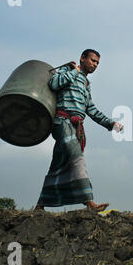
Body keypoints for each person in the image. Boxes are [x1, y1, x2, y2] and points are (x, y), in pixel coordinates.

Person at [34, 49, 123, 212]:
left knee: (57, 165)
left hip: (76, 127)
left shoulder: (86, 84)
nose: (95, 65)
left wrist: (111, 124)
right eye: (92, 60)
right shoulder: (67, 70)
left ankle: (40, 205)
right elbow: (53, 84)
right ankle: (89, 201)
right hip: (61, 121)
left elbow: (91, 109)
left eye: (97, 63)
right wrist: (74, 71)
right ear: (82, 58)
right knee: (76, 157)